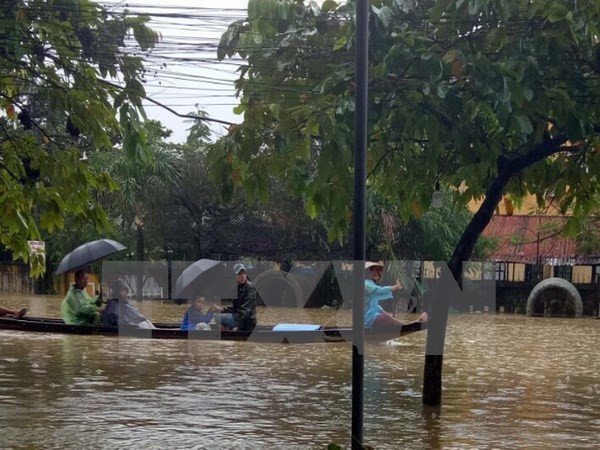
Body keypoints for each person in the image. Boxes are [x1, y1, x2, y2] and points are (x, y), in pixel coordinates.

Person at [364, 260, 427, 332]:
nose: (375, 273)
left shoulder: (370, 284)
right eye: (372, 271)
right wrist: (395, 287)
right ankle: (409, 325)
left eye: (376, 270)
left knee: (389, 318)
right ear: (367, 272)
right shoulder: (365, 283)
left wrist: (388, 315)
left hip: (370, 318)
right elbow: (378, 291)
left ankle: (409, 324)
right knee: (386, 318)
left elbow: (376, 307)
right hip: (367, 319)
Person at [212, 263, 257, 332]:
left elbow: (247, 311)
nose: (242, 276)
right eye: (239, 274)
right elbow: (234, 308)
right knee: (218, 315)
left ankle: (228, 335)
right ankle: (228, 333)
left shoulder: (250, 287)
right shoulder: (235, 289)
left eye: (244, 273)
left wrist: (238, 325)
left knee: (217, 317)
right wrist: (222, 310)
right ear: (235, 276)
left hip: (246, 321)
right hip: (238, 316)